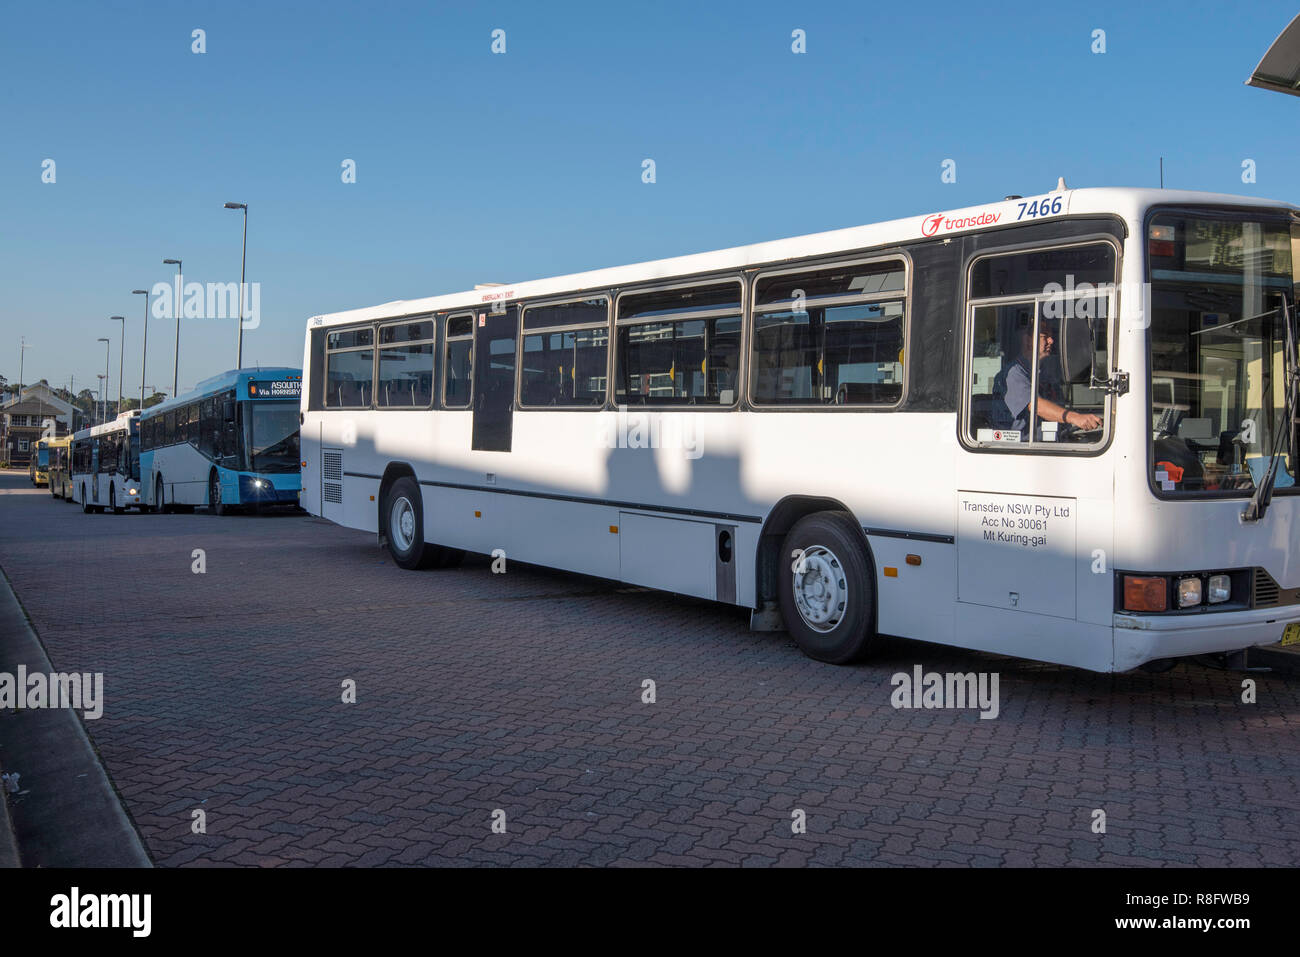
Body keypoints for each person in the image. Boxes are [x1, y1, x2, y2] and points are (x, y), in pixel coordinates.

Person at [1001, 319, 1102, 438]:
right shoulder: (1014, 373)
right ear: (1028, 340)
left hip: (1052, 442)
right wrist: (1075, 418)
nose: (1051, 341)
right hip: (1025, 448)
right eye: (1045, 336)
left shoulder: (1044, 373)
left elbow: (1058, 408)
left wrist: (1092, 417)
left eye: (1051, 336)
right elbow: (1037, 406)